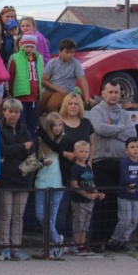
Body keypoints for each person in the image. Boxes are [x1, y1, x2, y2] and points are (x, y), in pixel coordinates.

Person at [88, 80, 136, 252]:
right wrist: (121, 129)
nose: (114, 95)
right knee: (103, 202)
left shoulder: (124, 114)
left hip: (121, 164)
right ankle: (97, 240)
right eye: (110, 92)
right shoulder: (96, 111)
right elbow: (100, 129)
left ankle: (112, 240)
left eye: (116, 92)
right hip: (102, 162)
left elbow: (132, 134)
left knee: (118, 204)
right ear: (103, 93)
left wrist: (113, 130)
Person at [0, 98, 33, 261]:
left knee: (18, 215)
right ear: (4, 112)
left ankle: (16, 246)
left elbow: (30, 151)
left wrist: (15, 151)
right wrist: (21, 147)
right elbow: (2, 150)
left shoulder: (24, 129)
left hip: (23, 178)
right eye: (10, 111)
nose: (13, 115)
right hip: (5, 178)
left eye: (16, 112)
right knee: (6, 214)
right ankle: (4, 247)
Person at [57, 92, 95, 250]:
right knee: (62, 208)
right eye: (70, 103)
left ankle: (77, 242)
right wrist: (67, 154)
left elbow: (92, 143)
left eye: (76, 103)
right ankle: (60, 240)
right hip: (63, 172)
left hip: (83, 174)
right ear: (65, 105)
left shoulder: (86, 123)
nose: (73, 106)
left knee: (79, 210)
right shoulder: (59, 122)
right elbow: (52, 145)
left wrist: (89, 161)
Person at [106, 137, 138, 252]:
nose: (135, 149)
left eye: (137, 147)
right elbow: (125, 180)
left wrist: (136, 183)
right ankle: (114, 240)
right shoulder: (125, 163)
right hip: (124, 197)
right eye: (132, 147)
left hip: (137, 197)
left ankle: (124, 241)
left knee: (134, 222)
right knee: (125, 220)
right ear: (127, 150)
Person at [34, 112, 67, 259]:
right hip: (41, 182)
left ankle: (50, 249)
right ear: (48, 126)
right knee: (41, 216)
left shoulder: (64, 140)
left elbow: (58, 148)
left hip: (58, 183)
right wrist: (41, 162)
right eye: (54, 125)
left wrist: (44, 135)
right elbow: (33, 160)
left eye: (60, 125)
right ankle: (57, 239)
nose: (58, 128)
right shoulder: (39, 141)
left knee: (51, 218)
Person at [38, 38, 93, 117]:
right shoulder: (52, 62)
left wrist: (87, 96)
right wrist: (58, 89)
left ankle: (59, 123)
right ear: (60, 51)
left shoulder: (76, 64)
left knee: (52, 105)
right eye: (67, 52)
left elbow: (82, 80)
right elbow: (44, 80)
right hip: (49, 90)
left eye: (72, 52)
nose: (69, 55)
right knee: (36, 107)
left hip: (65, 92)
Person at [70, 140, 104, 255]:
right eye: (81, 151)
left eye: (86, 151)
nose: (84, 154)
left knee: (85, 224)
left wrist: (97, 193)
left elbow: (91, 182)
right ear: (75, 153)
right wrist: (87, 195)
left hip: (89, 201)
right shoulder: (75, 168)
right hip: (79, 201)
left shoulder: (88, 167)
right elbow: (74, 186)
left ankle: (82, 245)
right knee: (78, 224)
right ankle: (76, 246)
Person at [8, 32, 44, 141]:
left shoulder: (39, 58)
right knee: (21, 122)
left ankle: (31, 145)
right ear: (22, 45)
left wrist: (39, 92)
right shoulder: (15, 58)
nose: (29, 49)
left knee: (32, 123)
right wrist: (9, 92)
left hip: (34, 96)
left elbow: (40, 76)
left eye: (31, 47)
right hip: (20, 96)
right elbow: (10, 76)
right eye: (26, 46)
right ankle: (21, 144)